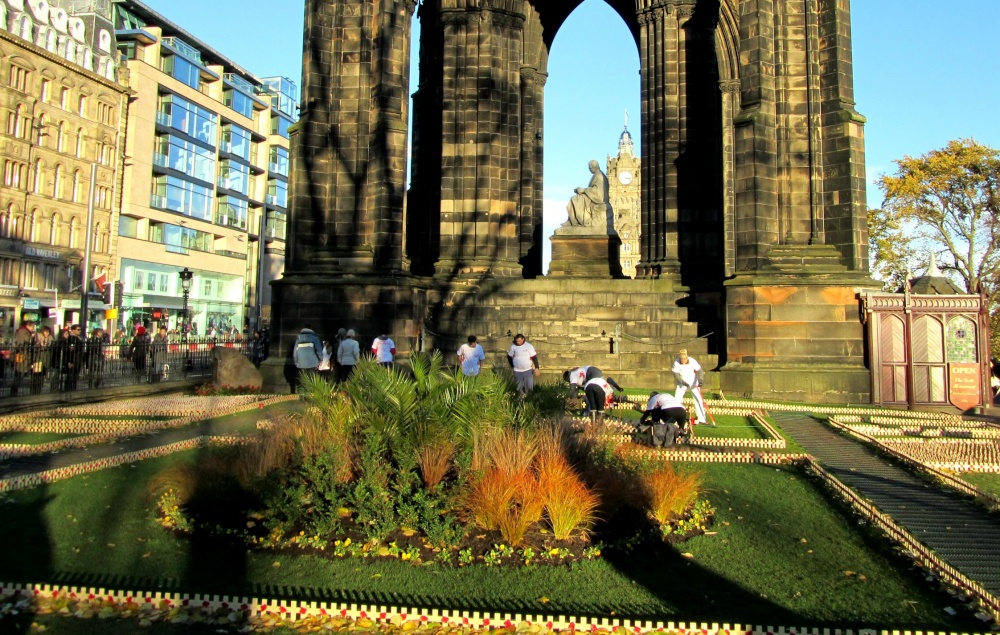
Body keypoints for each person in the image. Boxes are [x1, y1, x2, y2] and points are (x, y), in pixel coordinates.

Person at [563, 160, 609, 228]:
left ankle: (575, 221)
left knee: (575, 199)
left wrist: (583, 190)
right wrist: (582, 191)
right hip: (592, 196)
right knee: (576, 198)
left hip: (598, 198)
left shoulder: (599, 176)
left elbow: (598, 192)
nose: (589, 170)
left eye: (590, 168)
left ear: (594, 167)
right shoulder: (597, 175)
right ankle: (572, 220)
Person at [672, 348, 708, 425]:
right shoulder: (676, 363)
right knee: (677, 399)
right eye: (681, 359)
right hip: (682, 383)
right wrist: (683, 382)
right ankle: (675, 418)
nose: (683, 361)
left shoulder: (692, 361)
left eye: (684, 359)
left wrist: (701, 380)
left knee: (698, 399)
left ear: (686, 358)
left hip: (693, 382)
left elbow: (700, 370)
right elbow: (676, 374)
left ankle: (702, 419)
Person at [54, 324, 84, 392]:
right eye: (78, 330)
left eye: (80, 330)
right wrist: (69, 361)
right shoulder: (71, 339)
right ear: (73, 330)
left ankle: (73, 389)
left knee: (75, 376)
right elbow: (69, 351)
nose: (80, 331)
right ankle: (68, 389)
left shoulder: (79, 338)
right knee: (70, 376)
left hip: (78, 360)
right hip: (72, 359)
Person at [11, 320, 36, 396]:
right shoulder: (24, 332)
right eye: (32, 327)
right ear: (29, 326)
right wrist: (31, 338)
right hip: (23, 356)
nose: (33, 328)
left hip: (23, 356)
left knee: (19, 374)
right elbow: (25, 343)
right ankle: (14, 391)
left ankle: (14, 391)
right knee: (19, 374)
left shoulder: (23, 331)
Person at [33, 325, 53, 394]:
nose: (47, 333)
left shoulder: (50, 338)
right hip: (38, 357)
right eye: (46, 332)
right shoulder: (38, 337)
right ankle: (34, 389)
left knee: (43, 374)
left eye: (48, 332)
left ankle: (39, 389)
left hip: (46, 358)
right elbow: (35, 348)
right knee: (37, 374)